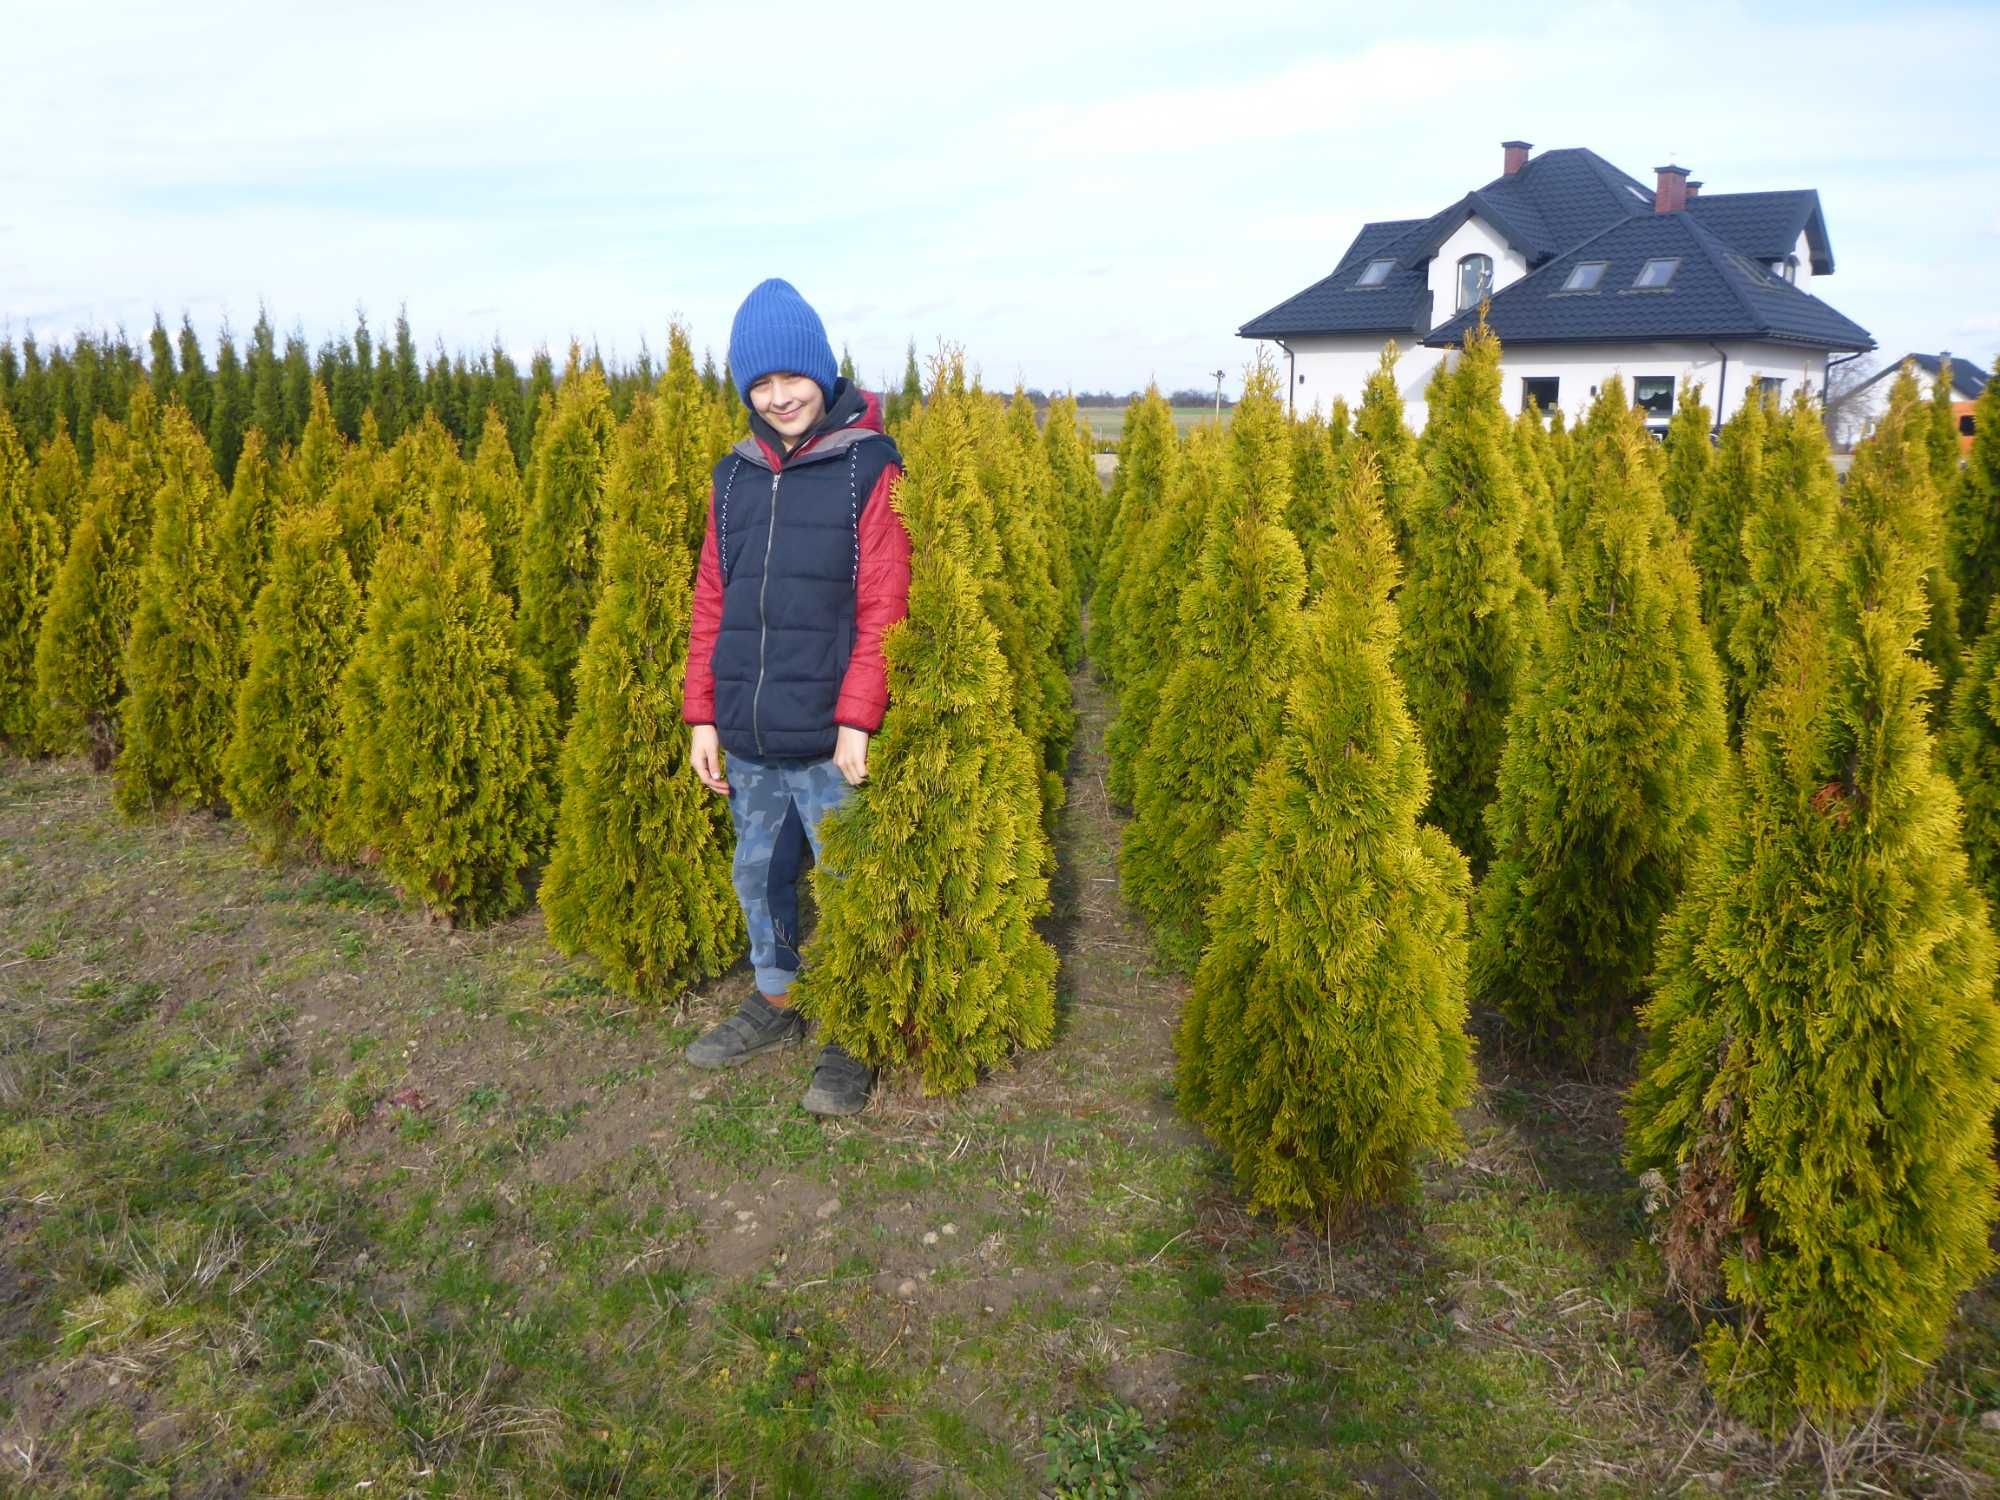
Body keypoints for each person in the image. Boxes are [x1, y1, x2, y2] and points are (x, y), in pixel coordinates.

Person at [680, 278, 912, 1117]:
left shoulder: (866, 465)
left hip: (826, 734)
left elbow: (886, 600)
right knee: (757, 874)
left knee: (848, 880)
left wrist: (858, 716)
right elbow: (714, 595)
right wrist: (702, 712)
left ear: (822, 370)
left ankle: (857, 1027)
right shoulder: (733, 477)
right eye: (759, 384)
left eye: (792, 378)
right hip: (747, 726)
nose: (778, 398)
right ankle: (778, 998)